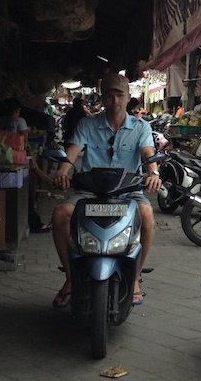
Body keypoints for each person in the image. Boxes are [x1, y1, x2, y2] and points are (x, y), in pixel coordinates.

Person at [50, 75, 160, 308]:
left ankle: (135, 277)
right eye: (110, 95)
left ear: (128, 98)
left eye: (120, 95)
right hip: (90, 191)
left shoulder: (141, 127)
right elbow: (72, 151)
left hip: (127, 191)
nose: (115, 100)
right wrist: (62, 170)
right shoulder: (87, 125)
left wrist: (153, 173)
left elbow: (148, 154)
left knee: (148, 216)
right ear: (103, 98)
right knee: (60, 214)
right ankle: (70, 278)